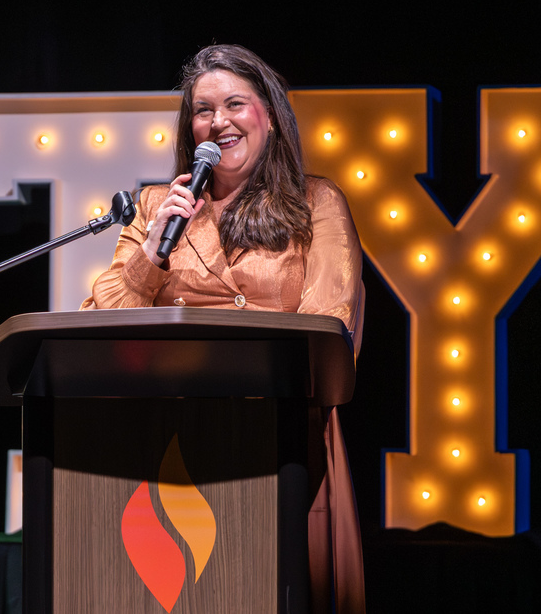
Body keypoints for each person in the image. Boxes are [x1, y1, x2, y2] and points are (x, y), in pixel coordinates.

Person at [81, 44, 366, 613]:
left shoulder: (316, 203)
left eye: (236, 103)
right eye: (204, 110)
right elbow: (99, 318)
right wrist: (151, 254)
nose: (219, 122)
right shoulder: (156, 206)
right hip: (173, 431)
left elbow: (331, 320)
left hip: (282, 426)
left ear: (270, 116)